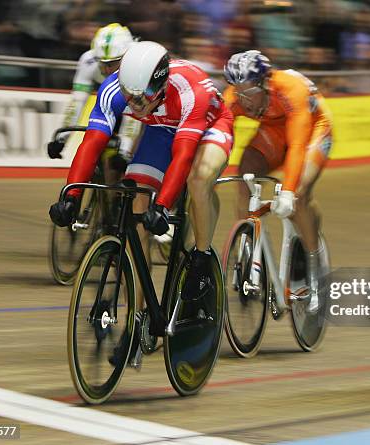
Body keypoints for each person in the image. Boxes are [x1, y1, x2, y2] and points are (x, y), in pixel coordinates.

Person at [49, 41, 234, 365]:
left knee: (198, 179)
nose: (135, 104)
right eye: (130, 97)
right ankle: (142, 317)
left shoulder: (190, 89)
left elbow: (185, 154)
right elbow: (93, 143)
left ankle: (202, 258)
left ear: (160, 83)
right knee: (135, 205)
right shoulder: (113, 89)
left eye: (141, 98)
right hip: (162, 131)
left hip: (207, 127)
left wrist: (162, 206)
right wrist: (71, 195)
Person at [222, 50, 333, 312]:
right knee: (244, 176)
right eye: (238, 92)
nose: (243, 101)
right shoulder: (233, 98)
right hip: (274, 131)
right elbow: (222, 137)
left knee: (299, 195)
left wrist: (288, 192)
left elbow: (296, 146)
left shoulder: (290, 90)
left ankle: (314, 264)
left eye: (248, 93)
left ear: (265, 84)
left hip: (313, 129)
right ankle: (247, 252)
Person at [47, 23, 140, 183]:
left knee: (120, 164)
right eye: (102, 63)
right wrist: (62, 138)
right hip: (112, 103)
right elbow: (77, 102)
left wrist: (125, 151)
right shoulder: (88, 61)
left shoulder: (137, 61)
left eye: (112, 63)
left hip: (139, 107)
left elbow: (135, 114)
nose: (106, 69)